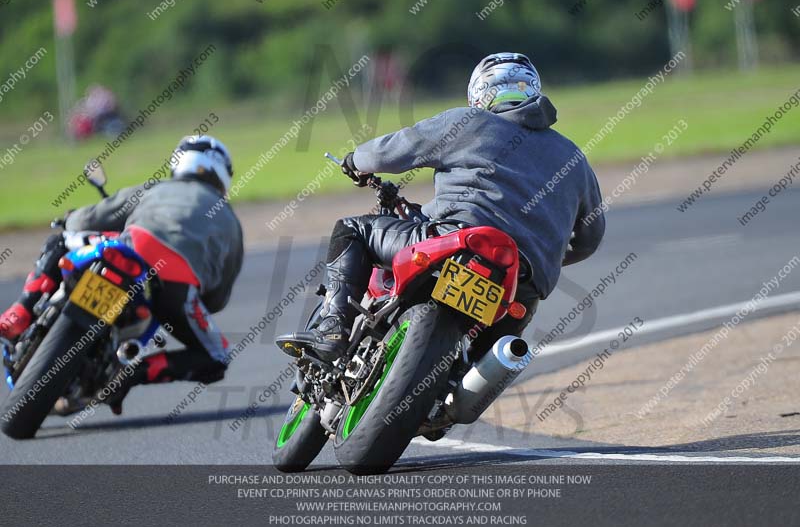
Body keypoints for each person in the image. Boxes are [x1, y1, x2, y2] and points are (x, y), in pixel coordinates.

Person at [277, 52, 605, 361]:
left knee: (352, 230)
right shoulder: (573, 157)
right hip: (522, 285)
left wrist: (355, 160)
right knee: (488, 357)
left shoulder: (469, 122)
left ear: (480, 94)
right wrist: (540, 253)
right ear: (532, 90)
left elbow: (393, 151)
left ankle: (334, 329)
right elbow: (590, 237)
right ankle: (459, 389)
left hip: (454, 243)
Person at [0, 135, 244, 415]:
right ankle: (130, 374)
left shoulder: (158, 188)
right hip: (174, 286)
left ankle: (21, 309)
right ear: (222, 174)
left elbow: (85, 220)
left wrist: (70, 217)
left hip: (129, 249)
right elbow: (218, 297)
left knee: (59, 241)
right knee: (217, 357)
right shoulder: (231, 221)